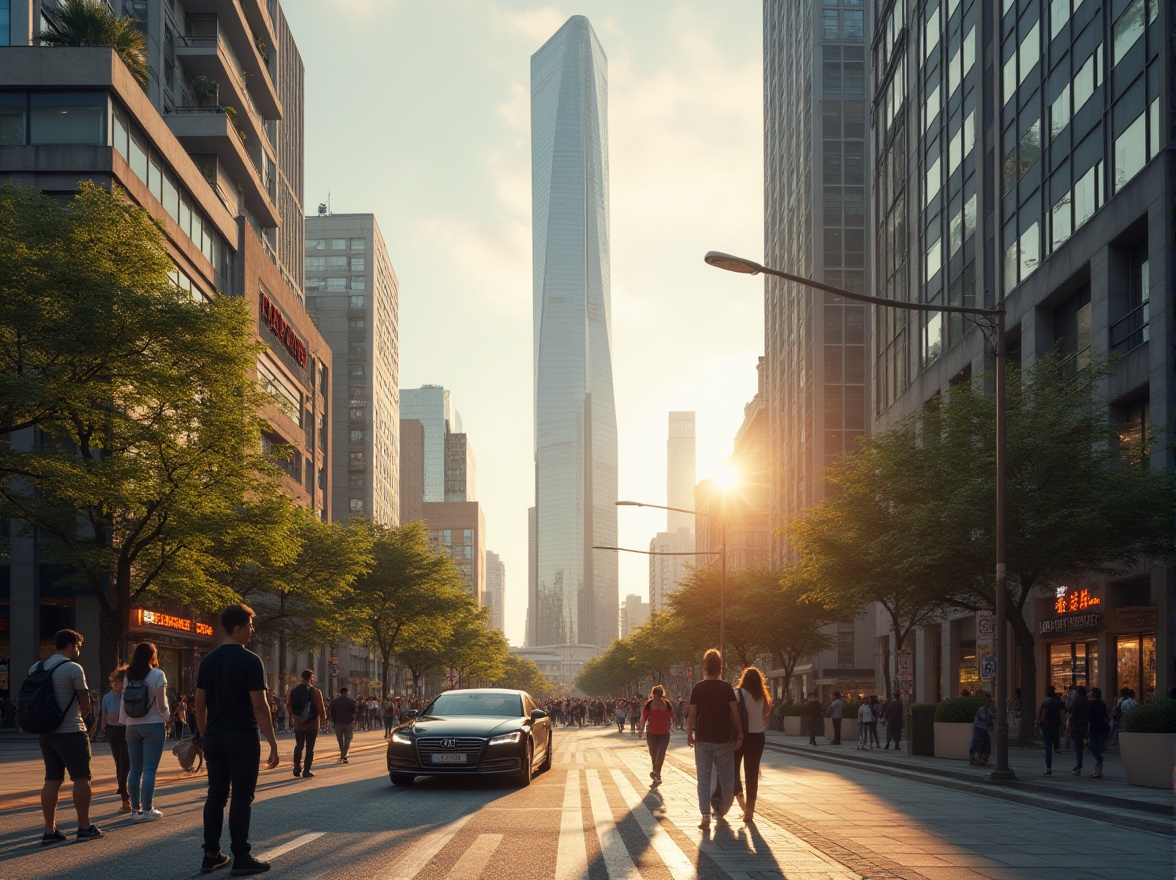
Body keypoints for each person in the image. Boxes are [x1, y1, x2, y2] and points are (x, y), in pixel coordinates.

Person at [195, 604, 279, 877]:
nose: (253, 631)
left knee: (216, 795)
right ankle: (241, 856)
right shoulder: (251, 661)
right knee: (242, 796)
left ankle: (211, 855)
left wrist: (204, 736)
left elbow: (199, 705)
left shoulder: (207, 661)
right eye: (250, 626)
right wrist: (273, 743)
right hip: (242, 736)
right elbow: (260, 706)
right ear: (238, 628)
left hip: (215, 738)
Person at [30, 629, 103, 844]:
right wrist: (86, 716)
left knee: (52, 779)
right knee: (81, 777)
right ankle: (83, 827)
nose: (78, 651)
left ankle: (49, 830)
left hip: (45, 732)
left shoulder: (37, 666)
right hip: (71, 730)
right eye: (77, 647)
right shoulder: (73, 668)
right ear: (71, 646)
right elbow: (85, 702)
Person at [686, 648, 742, 831]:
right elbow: (735, 712)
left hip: (702, 739)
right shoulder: (726, 688)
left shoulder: (698, 688)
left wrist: (689, 733)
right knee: (727, 779)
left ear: (705, 667)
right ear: (720, 667)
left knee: (703, 778)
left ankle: (705, 816)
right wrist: (739, 733)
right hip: (723, 740)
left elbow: (692, 714)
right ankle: (721, 810)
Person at [120, 641, 170, 821]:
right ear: (152, 656)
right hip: (153, 725)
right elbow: (162, 704)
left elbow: (123, 702)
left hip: (131, 726)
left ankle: (135, 810)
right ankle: (147, 810)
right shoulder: (157, 674)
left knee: (134, 769)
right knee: (149, 770)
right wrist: (168, 718)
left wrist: (123, 721)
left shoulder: (128, 675)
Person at [732, 666, 771, 823]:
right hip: (758, 737)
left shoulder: (738, 693)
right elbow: (766, 712)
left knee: (734, 768)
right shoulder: (762, 695)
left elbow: (732, 714)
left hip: (741, 736)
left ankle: (739, 794)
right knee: (752, 774)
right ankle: (749, 811)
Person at [93, 666, 131, 812]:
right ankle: (122, 788)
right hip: (113, 730)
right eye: (117, 681)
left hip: (125, 729)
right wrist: (104, 727)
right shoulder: (107, 697)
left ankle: (124, 792)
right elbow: (104, 713)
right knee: (118, 760)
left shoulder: (127, 695)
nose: (117, 684)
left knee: (124, 761)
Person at [288, 669, 325, 778]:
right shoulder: (316, 692)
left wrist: (293, 717)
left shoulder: (293, 691)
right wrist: (324, 719)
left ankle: (296, 766)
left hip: (298, 724)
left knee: (299, 745)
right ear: (311, 678)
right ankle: (306, 770)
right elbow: (320, 707)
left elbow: (289, 706)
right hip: (312, 724)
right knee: (309, 748)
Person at [637, 684, 674, 785]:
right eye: (655, 695)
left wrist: (673, 725)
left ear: (660, 695)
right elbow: (643, 718)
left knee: (661, 754)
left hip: (664, 734)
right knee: (654, 755)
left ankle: (657, 772)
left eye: (657, 695)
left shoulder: (667, 705)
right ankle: (656, 774)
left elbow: (672, 715)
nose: (655, 697)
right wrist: (641, 730)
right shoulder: (649, 705)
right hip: (652, 734)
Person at [1038, 685, 1064, 776]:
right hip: (1056, 724)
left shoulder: (1045, 702)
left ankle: (1048, 767)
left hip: (1047, 726)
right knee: (1055, 738)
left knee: (1048, 747)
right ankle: (1057, 746)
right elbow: (1062, 713)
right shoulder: (1058, 702)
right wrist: (1062, 722)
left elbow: (1042, 714)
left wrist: (1039, 722)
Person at [329, 687, 358, 763]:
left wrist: (334, 722)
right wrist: (354, 721)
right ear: (346, 692)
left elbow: (331, 713)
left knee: (340, 740)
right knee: (348, 739)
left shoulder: (335, 702)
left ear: (340, 693)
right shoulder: (351, 701)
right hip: (348, 723)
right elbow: (354, 712)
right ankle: (345, 754)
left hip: (338, 723)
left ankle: (343, 753)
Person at [1087, 687, 1110, 779]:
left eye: (1091, 692)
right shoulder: (1102, 704)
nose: (1089, 693)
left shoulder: (1092, 704)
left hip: (1095, 727)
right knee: (1098, 746)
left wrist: (1088, 729)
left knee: (1094, 747)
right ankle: (1098, 770)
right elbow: (1106, 716)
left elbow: (1088, 718)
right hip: (1102, 727)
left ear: (1094, 694)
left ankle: (1099, 763)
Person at [1068, 684, 1090, 776]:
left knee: (1078, 747)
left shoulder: (1077, 701)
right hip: (1084, 725)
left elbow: (1071, 711)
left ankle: (1079, 765)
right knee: (1080, 745)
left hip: (1076, 725)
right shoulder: (1087, 701)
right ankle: (1079, 765)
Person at [968, 692, 994, 766]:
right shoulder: (983, 709)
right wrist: (988, 726)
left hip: (981, 727)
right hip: (980, 728)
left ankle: (979, 758)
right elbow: (986, 718)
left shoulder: (986, 708)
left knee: (984, 741)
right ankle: (976, 759)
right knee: (979, 742)